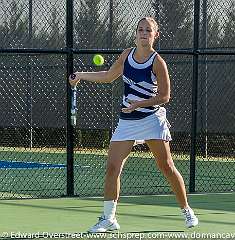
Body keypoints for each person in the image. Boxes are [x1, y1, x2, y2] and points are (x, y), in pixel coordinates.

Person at [69, 17, 199, 233]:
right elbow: (109, 76)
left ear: (155, 35)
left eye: (148, 30)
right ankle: (108, 219)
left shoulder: (158, 62)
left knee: (166, 166)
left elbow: (165, 96)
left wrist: (141, 103)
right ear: (136, 33)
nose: (144, 33)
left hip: (151, 119)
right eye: (140, 29)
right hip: (127, 121)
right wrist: (81, 75)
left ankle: (187, 210)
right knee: (112, 168)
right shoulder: (126, 55)